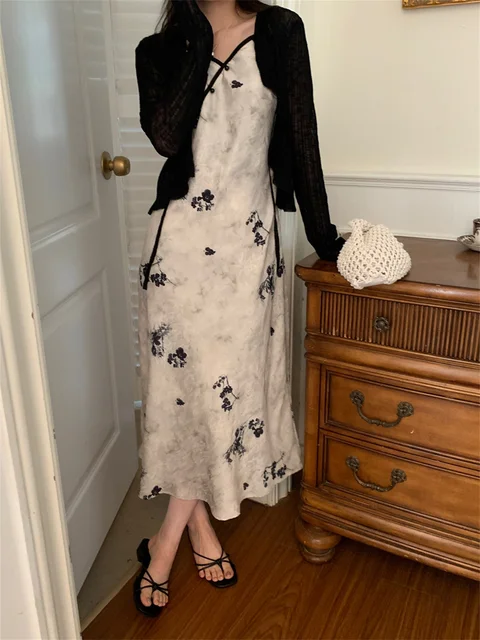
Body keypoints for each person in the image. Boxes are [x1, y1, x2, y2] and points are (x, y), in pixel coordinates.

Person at [133, 0, 344, 617]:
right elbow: (167, 137)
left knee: (220, 393)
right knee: (184, 395)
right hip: (176, 257)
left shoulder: (280, 30)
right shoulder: (160, 50)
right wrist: (198, 35)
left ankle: (165, 539)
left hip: (246, 257)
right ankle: (191, 529)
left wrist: (326, 240)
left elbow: (302, 136)